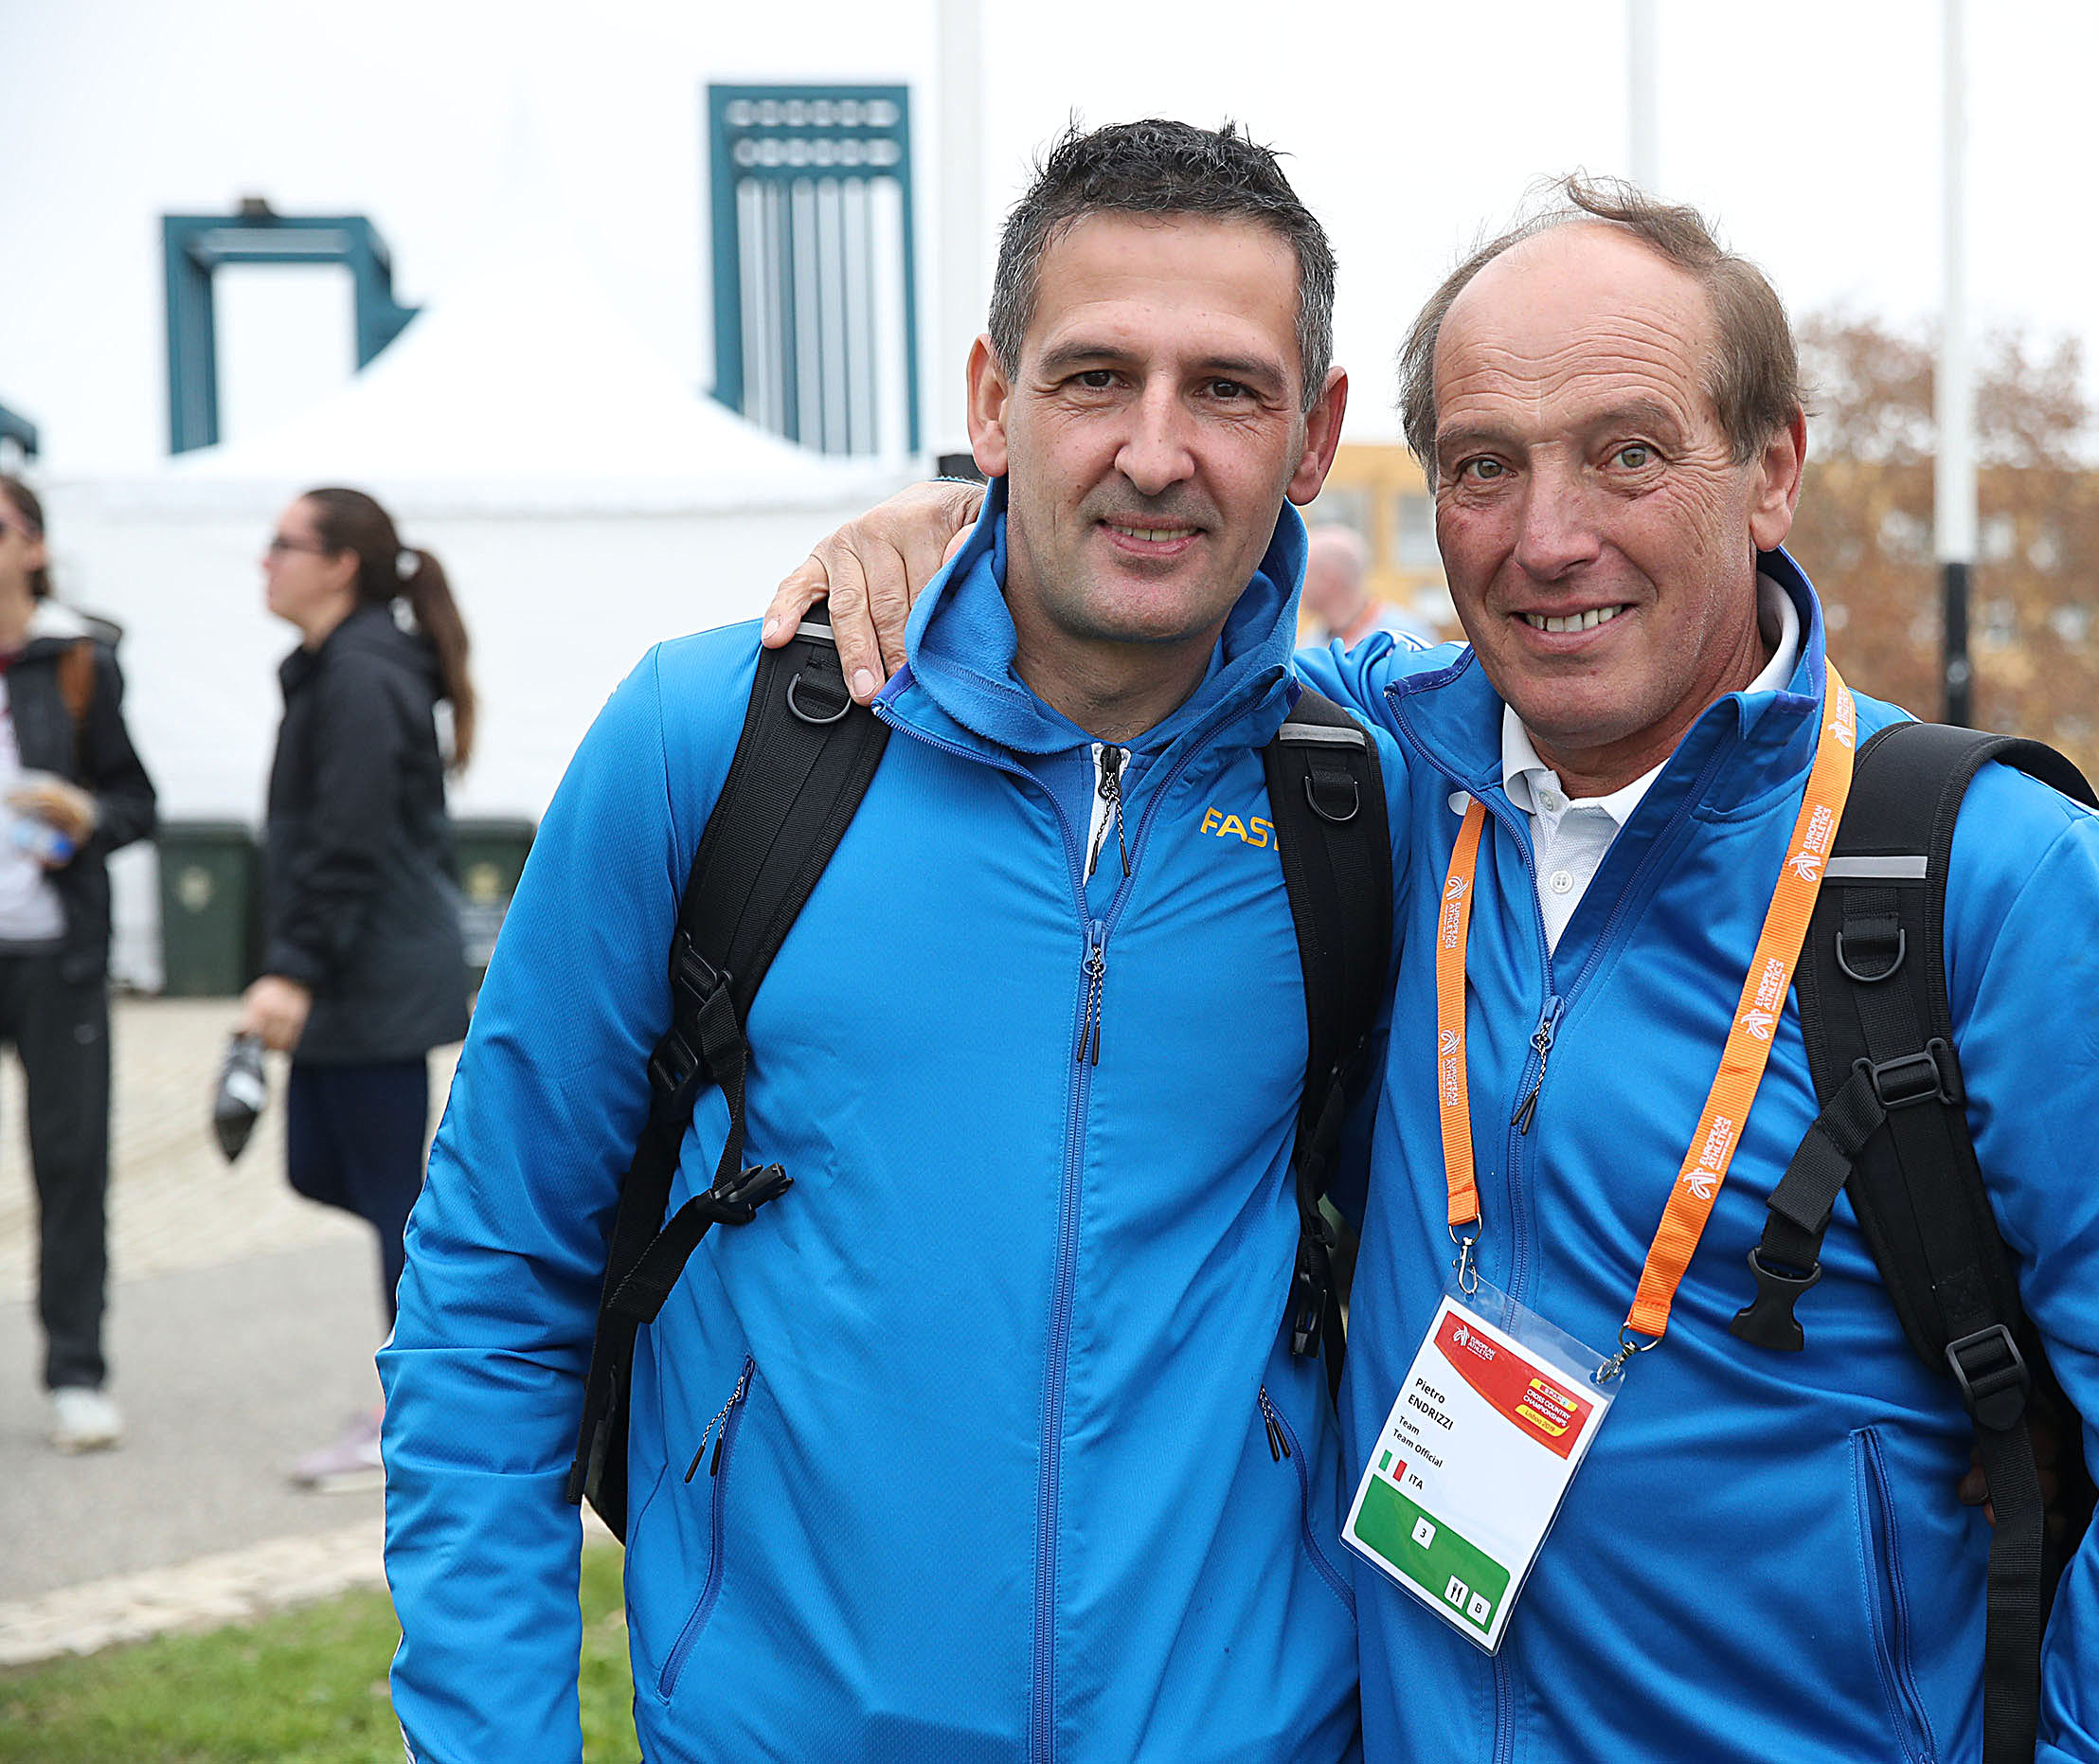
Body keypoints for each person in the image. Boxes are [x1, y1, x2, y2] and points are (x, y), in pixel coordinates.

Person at [769, 176, 2099, 1761]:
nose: (1547, 538)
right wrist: (955, 532)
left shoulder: (1989, 876)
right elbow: (1125, 613)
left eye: (1627, 453)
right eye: (1484, 467)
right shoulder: (1366, 769)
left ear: (1771, 469)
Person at [379, 120, 1378, 1761]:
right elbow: (495, 1277)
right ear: (990, 399)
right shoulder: (710, 743)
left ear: (1315, 434)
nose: (1154, 451)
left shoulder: (1373, 794)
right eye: (1091, 378)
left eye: (1226, 389)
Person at [242, 486, 475, 1491]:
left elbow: (350, 839)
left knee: (394, 1201)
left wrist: (292, 968)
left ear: (339, 564)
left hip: (368, 974)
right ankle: (433, 1383)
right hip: (352, 970)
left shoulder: (363, 674)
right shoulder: (337, 667)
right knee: (322, 1167)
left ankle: (416, 1412)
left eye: (283, 543)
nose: (264, 560)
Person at [0, 475, 157, 1452]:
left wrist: (84, 813)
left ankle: (76, 1372)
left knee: (69, 1165)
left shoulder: (79, 663)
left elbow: (139, 803)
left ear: (34, 548)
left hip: (56, 957)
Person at [1301, 522, 1433, 646]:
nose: (1296, 588)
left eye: (1302, 576)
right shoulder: (1312, 640)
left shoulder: (1403, 638)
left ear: (1330, 578)